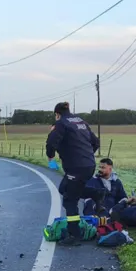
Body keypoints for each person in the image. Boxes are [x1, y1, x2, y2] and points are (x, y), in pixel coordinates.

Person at [45, 101, 100, 245]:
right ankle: (96, 194)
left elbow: (51, 142)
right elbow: (96, 142)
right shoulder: (80, 121)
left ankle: (74, 235)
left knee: (70, 199)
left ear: (57, 114)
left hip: (76, 168)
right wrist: (86, 155)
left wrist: (51, 157)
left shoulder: (61, 123)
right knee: (64, 188)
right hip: (89, 165)